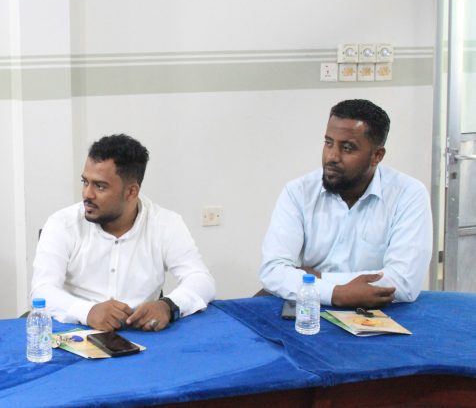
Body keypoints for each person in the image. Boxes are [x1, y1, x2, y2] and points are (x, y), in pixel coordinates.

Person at [30, 134, 216, 332]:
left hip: (143, 335)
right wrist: (88, 312)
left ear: (131, 192)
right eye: (85, 182)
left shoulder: (165, 224)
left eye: (100, 186)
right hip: (75, 332)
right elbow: (42, 291)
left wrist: (168, 306)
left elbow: (201, 280)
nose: (87, 194)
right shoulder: (62, 224)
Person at [259, 99, 432, 308]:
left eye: (347, 148)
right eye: (328, 143)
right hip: (311, 310)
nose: (332, 156)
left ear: (377, 155)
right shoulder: (298, 192)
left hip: (377, 311)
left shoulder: (408, 194)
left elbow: (404, 282)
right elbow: (273, 271)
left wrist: (317, 278)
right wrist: (336, 294)